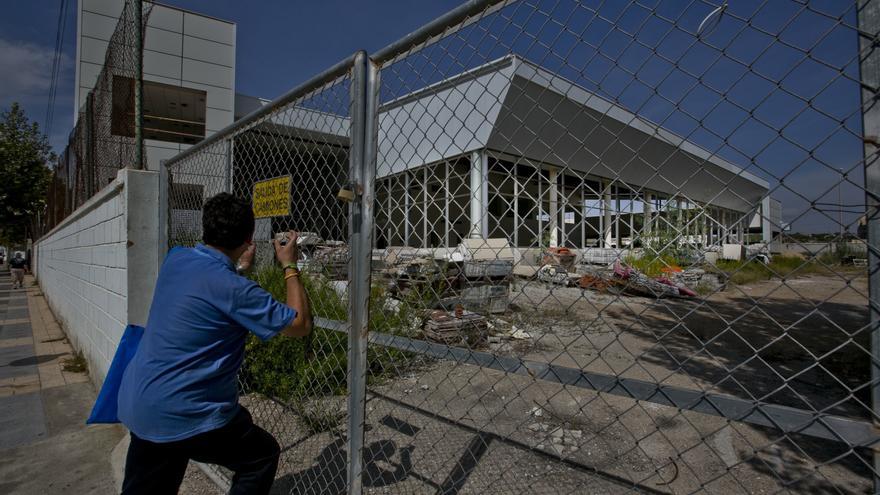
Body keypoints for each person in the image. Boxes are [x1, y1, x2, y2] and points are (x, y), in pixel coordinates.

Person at [117, 193, 313, 495]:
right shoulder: (237, 290)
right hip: (184, 410)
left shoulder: (176, 258)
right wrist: (289, 265)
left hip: (141, 399)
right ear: (249, 238)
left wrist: (237, 269)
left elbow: (210, 289)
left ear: (205, 228)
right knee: (260, 455)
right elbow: (299, 325)